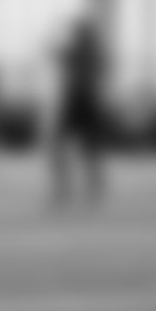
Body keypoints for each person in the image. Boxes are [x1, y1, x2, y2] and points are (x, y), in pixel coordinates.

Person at [49, 15, 111, 207]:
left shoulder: (81, 51)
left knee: (85, 147)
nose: (77, 35)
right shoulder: (88, 51)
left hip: (81, 100)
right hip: (82, 99)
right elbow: (56, 55)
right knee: (83, 147)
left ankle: (80, 187)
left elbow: (55, 54)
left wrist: (55, 35)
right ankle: (78, 187)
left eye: (79, 32)